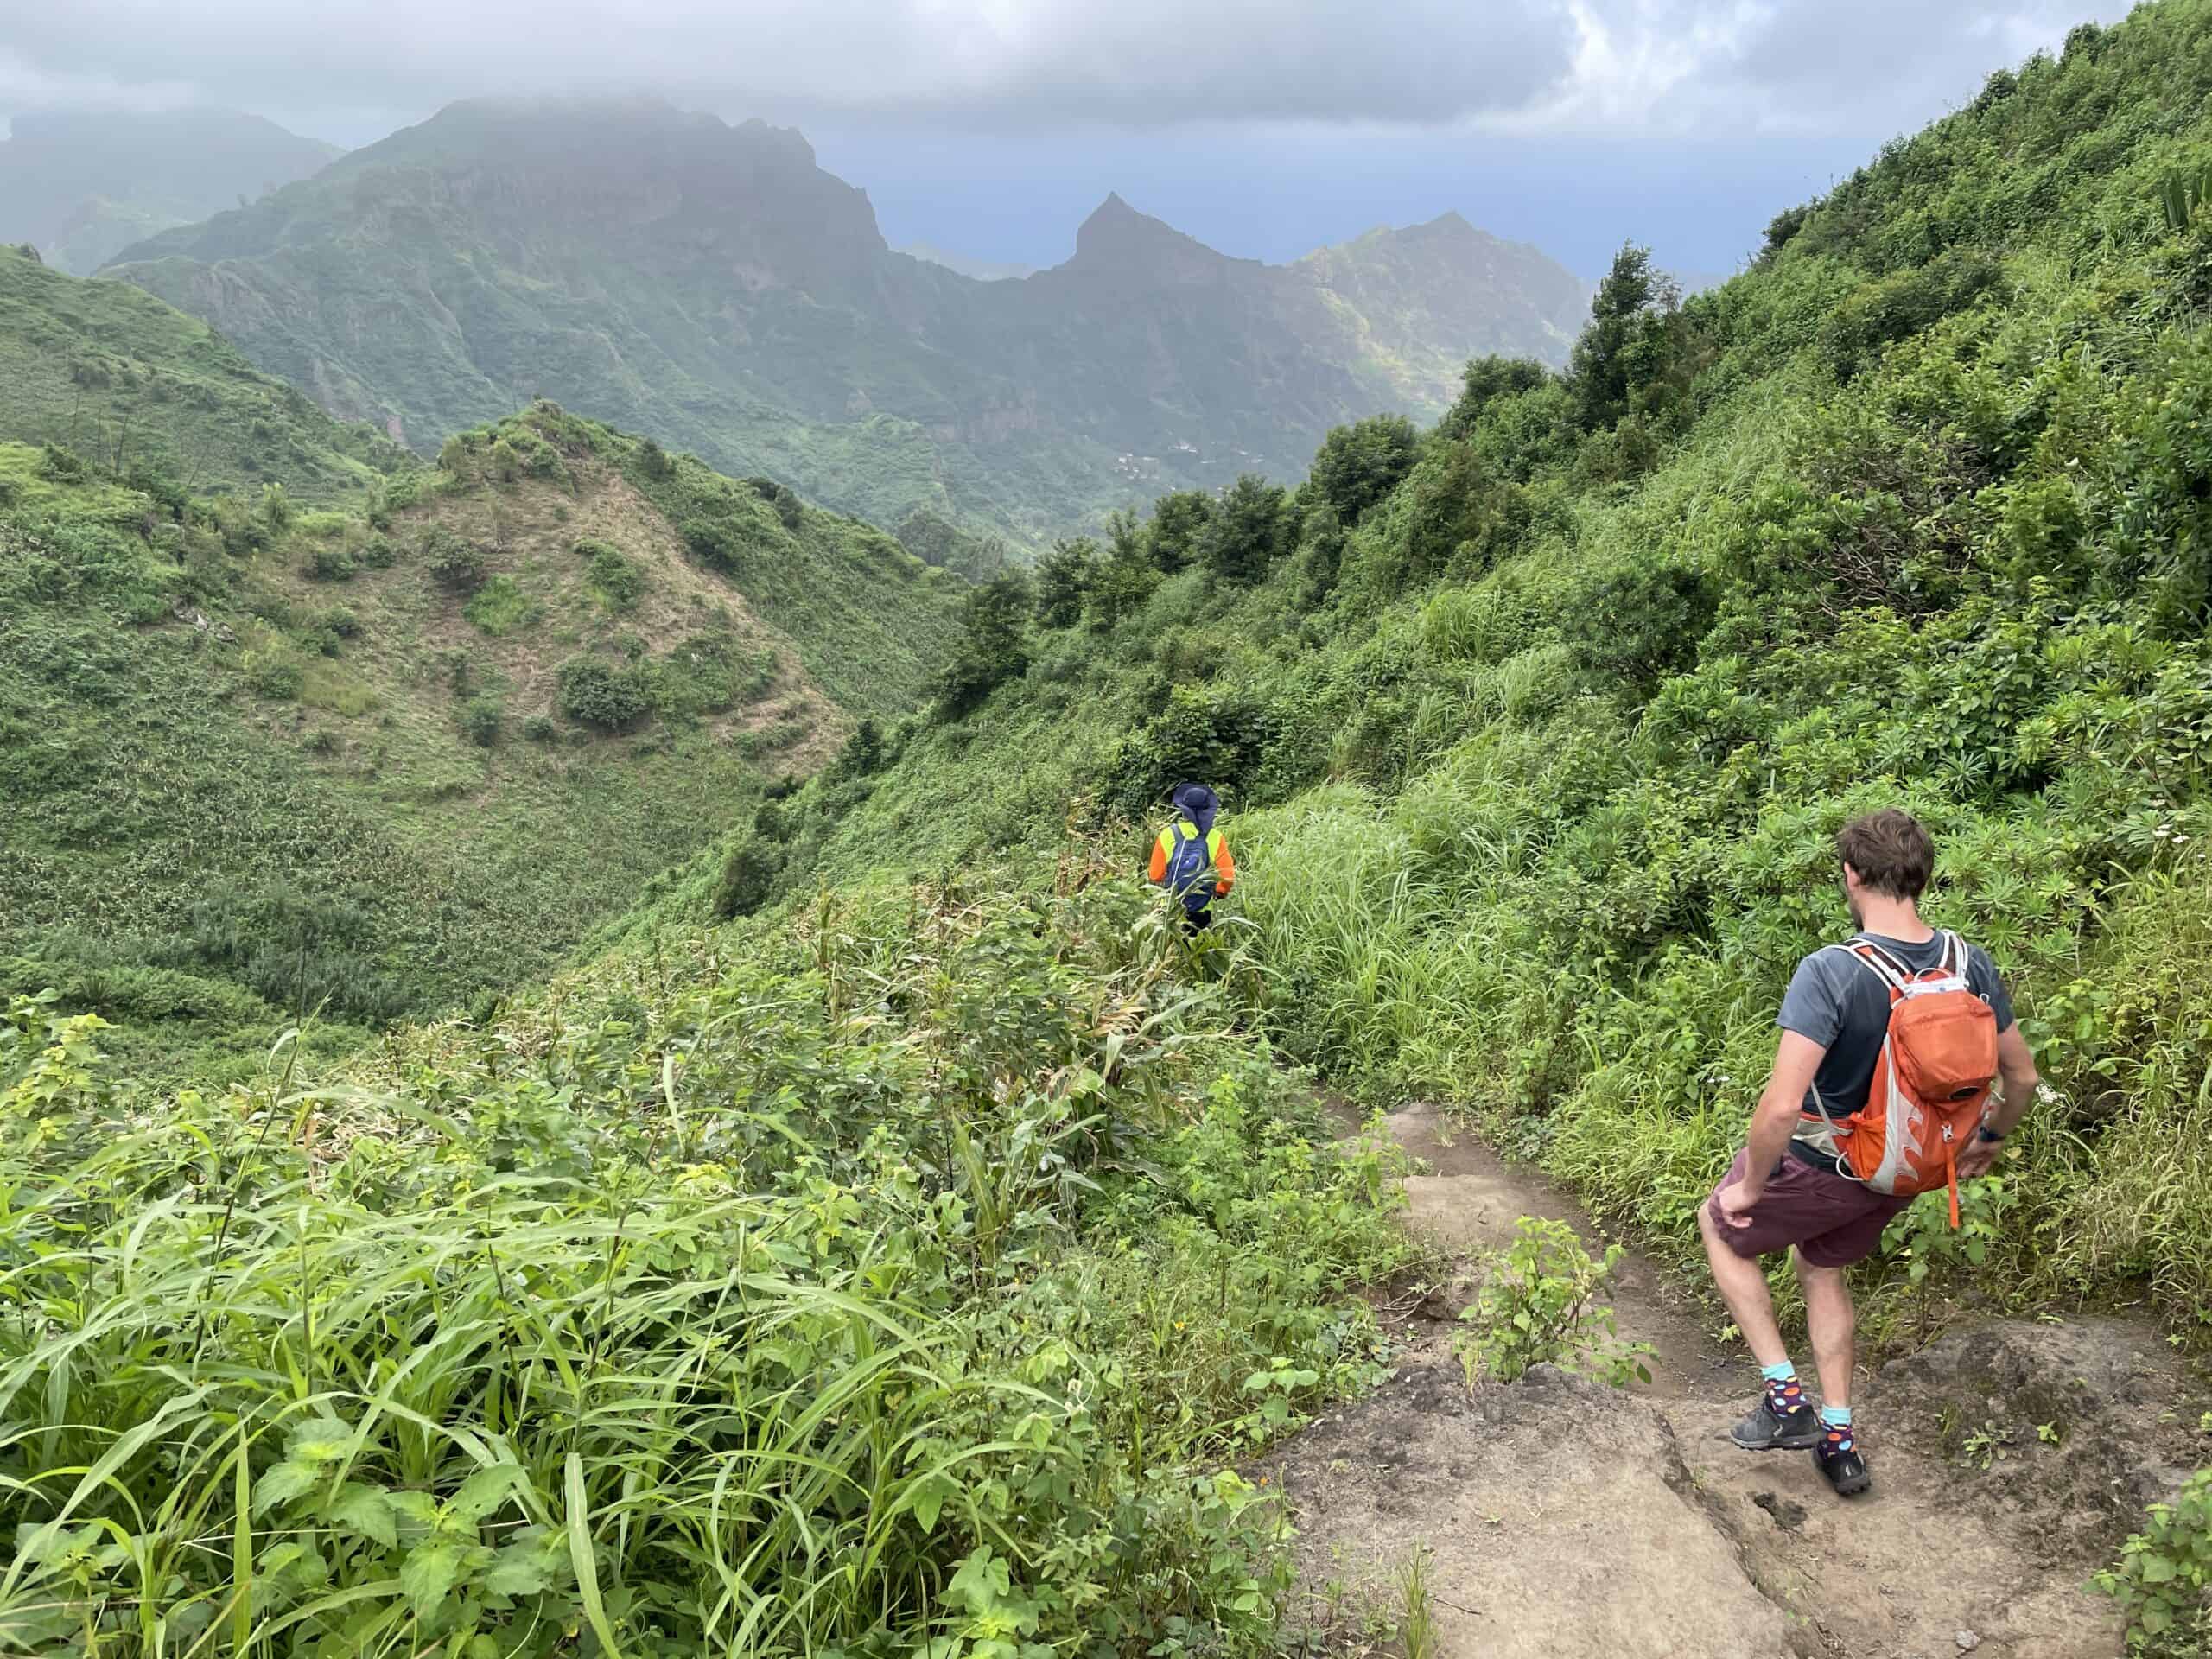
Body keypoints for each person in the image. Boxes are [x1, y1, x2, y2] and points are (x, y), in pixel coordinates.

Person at [1698, 809, 2040, 1498]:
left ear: (1852, 875)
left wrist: (1751, 1187)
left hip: (1828, 1165)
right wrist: (1991, 1140)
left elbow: (1781, 1107)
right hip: (1905, 1174)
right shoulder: (1967, 961)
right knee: (1821, 1270)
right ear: (1921, 876)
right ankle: (1840, 1442)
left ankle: (1785, 1400)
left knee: (1719, 1226)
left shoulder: (1831, 971)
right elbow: (2023, 1077)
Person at [1147, 782, 1236, 931]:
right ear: (1206, 811)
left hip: (1171, 908)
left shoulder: (1168, 834)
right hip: (1201, 909)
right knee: (1195, 950)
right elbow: (1228, 878)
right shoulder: (1215, 837)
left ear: (1184, 811)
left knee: (1172, 952)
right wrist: (1220, 891)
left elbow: (1155, 875)